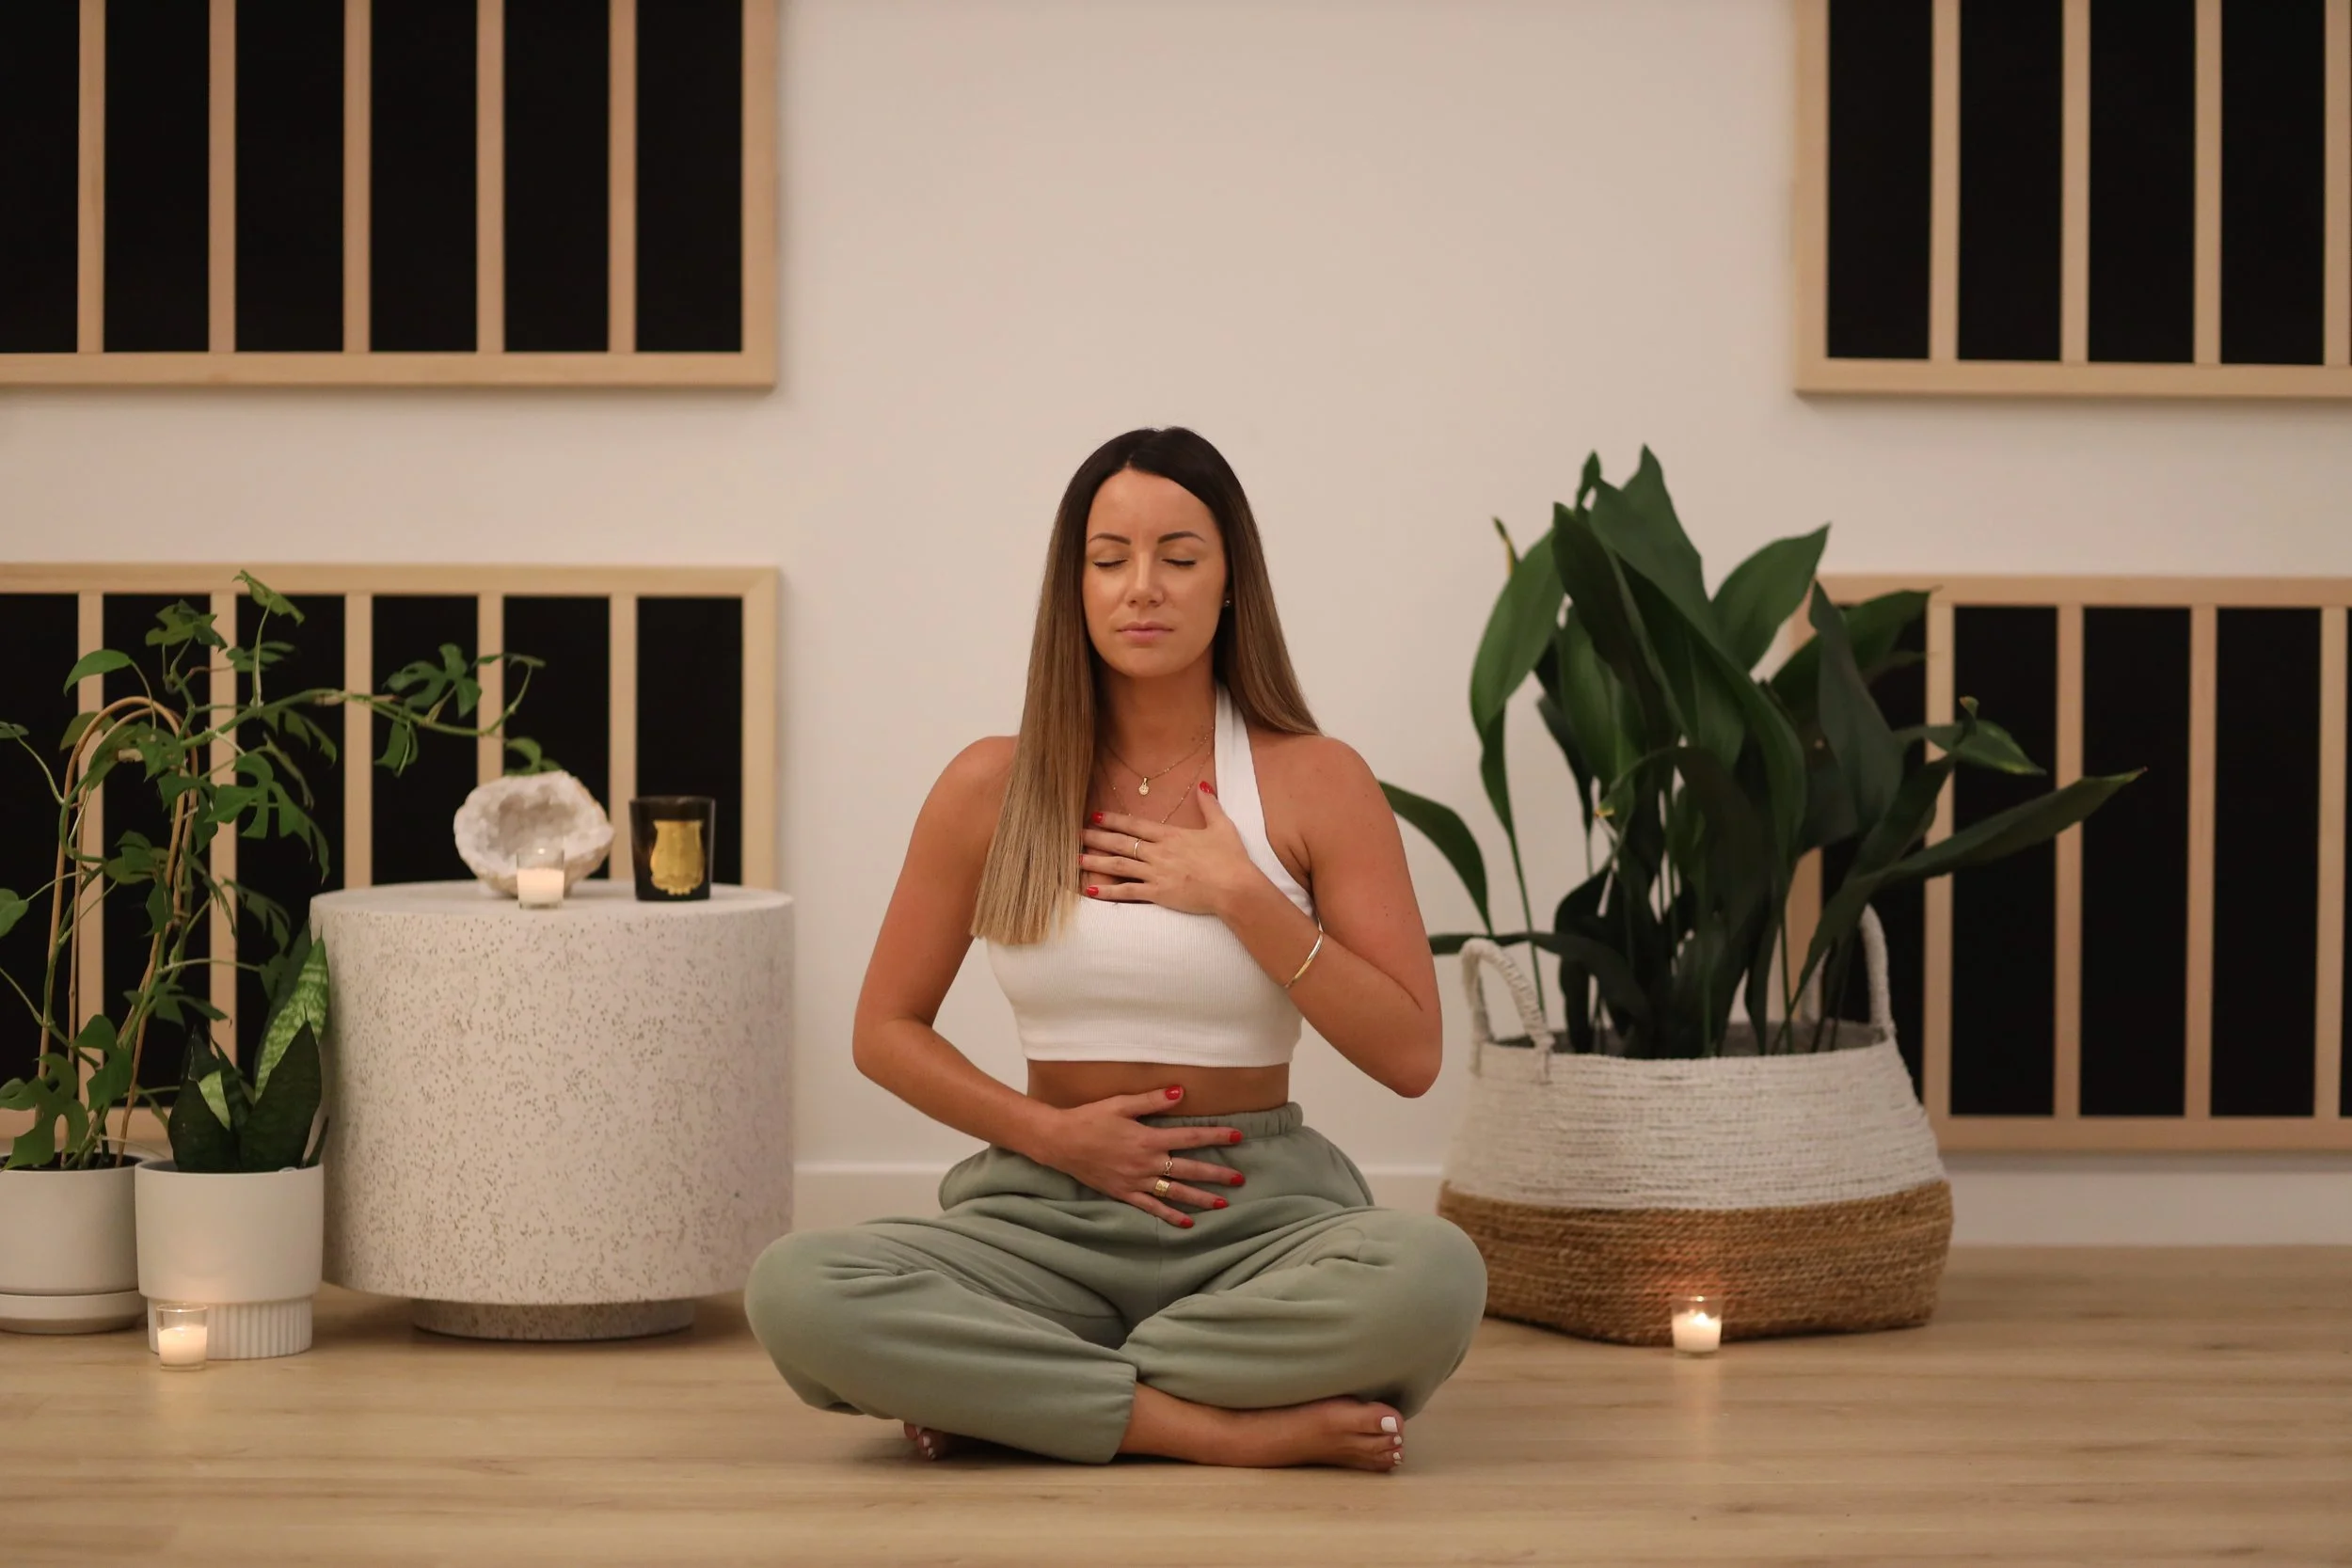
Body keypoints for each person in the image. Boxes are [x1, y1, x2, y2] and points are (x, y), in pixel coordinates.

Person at [745, 427, 1487, 1471]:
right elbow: (883, 1030)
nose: (1143, 587)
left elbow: (1410, 1056)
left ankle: (1017, 1391)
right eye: (1109, 559)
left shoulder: (1317, 779)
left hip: (1258, 1215)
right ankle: (1213, 1429)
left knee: (1434, 1275)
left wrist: (1239, 894)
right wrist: (1053, 1137)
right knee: (795, 1289)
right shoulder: (988, 786)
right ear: (1075, 585)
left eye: (1179, 557)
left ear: (1231, 583)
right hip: (1041, 1216)